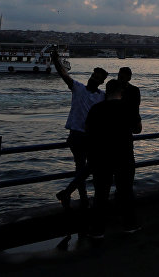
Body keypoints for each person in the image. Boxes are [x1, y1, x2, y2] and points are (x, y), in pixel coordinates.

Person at [86, 79, 142, 237]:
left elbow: (88, 131)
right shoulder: (128, 107)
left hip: (101, 157)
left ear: (107, 90)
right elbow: (137, 129)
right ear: (122, 91)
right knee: (126, 192)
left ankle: (98, 230)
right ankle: (129, 225)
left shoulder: (96, 109)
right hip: (124, 155)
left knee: (101, 194)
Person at [52, 47, 107, 209]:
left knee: (85, 168)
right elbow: (64, 74)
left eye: (97, 78)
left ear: (101, 82)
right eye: (94, 76)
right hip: (77, 135)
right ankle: (81, 198)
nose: (94, 79)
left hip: (91, 136)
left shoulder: (102, 97)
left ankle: (70, 194)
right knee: (82, 167)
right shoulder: (78, 88)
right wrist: (56, 60)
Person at [117, 66, 142, 134]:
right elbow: (136, 108)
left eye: (121, 77)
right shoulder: (134, 90)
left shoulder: (134, 90)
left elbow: (135, 108)